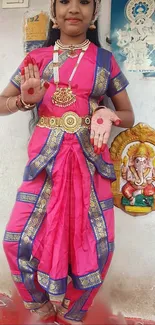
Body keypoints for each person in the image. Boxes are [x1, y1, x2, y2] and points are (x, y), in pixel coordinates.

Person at [1, 0, 134, 324]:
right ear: (53, 10)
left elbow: (128, 115)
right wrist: (23, 100)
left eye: (84, 1)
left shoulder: (105, 60)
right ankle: (41, 306)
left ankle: (74, 312)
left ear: (95, 13)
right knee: (16, 240)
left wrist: (107, 113)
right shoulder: (37, 59)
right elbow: (2, 103)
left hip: (91, 162)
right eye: (65, 1)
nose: (73, 8)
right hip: (45, 163)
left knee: (98, 246)